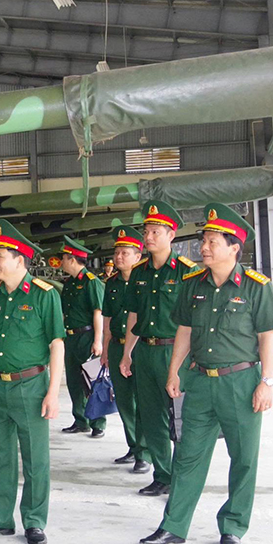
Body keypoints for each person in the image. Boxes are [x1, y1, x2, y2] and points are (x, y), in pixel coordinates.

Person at [140, 203, 273, 544]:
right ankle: (174, 525)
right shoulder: (193, 284)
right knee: (188, 455)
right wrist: (174, 371)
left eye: (212, 242)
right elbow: (185, 331)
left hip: (241, 383)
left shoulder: (255, 287)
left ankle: (233, 527)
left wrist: (267, 382)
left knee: (243, 458)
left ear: (234, 247)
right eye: (204, 240)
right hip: (200, 381)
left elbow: (266, 337)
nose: (203, 247)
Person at [0, 219, 65, 544]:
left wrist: (53, 393)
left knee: (35, 458)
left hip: (31, 385)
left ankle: (34, 521)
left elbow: (56, 345)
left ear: (19, 260)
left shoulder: (43, 295)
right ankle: (0, 518)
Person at [119, 201, 198, 496]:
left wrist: (190, 358)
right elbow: (133, 315)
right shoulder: (139, 272)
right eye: (146, 231)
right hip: (146, 351)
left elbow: (194, 320)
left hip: (175, 352)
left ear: (171, 236)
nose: (149, 237)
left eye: (155, 232)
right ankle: (163, 475)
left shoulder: (187, 272)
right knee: (152, 416)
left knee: (180, 418)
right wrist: (127, 353)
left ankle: (183, 478)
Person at [100, 226, 151, 474]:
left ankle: (144, 452)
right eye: (117, 252)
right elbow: (107, 318)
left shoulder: (146, 280)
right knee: (124, 401)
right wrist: (104, 349)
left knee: (143, 400)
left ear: (138, 256)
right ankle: (133, 445)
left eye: (125, 253)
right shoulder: (111, 283)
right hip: (117, 346)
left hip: (140, 347)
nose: (119, 257)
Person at [58, 236, 106, 437]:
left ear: (72, 259)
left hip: (87, 336)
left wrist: (97, 341)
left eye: (64, 258)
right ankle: (80, 420)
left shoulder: (91, 282)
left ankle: (98, 423)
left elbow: (98, 312)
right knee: (75, 381)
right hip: (71, 338)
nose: (61, 262)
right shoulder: (69, 283)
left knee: (92, 381)